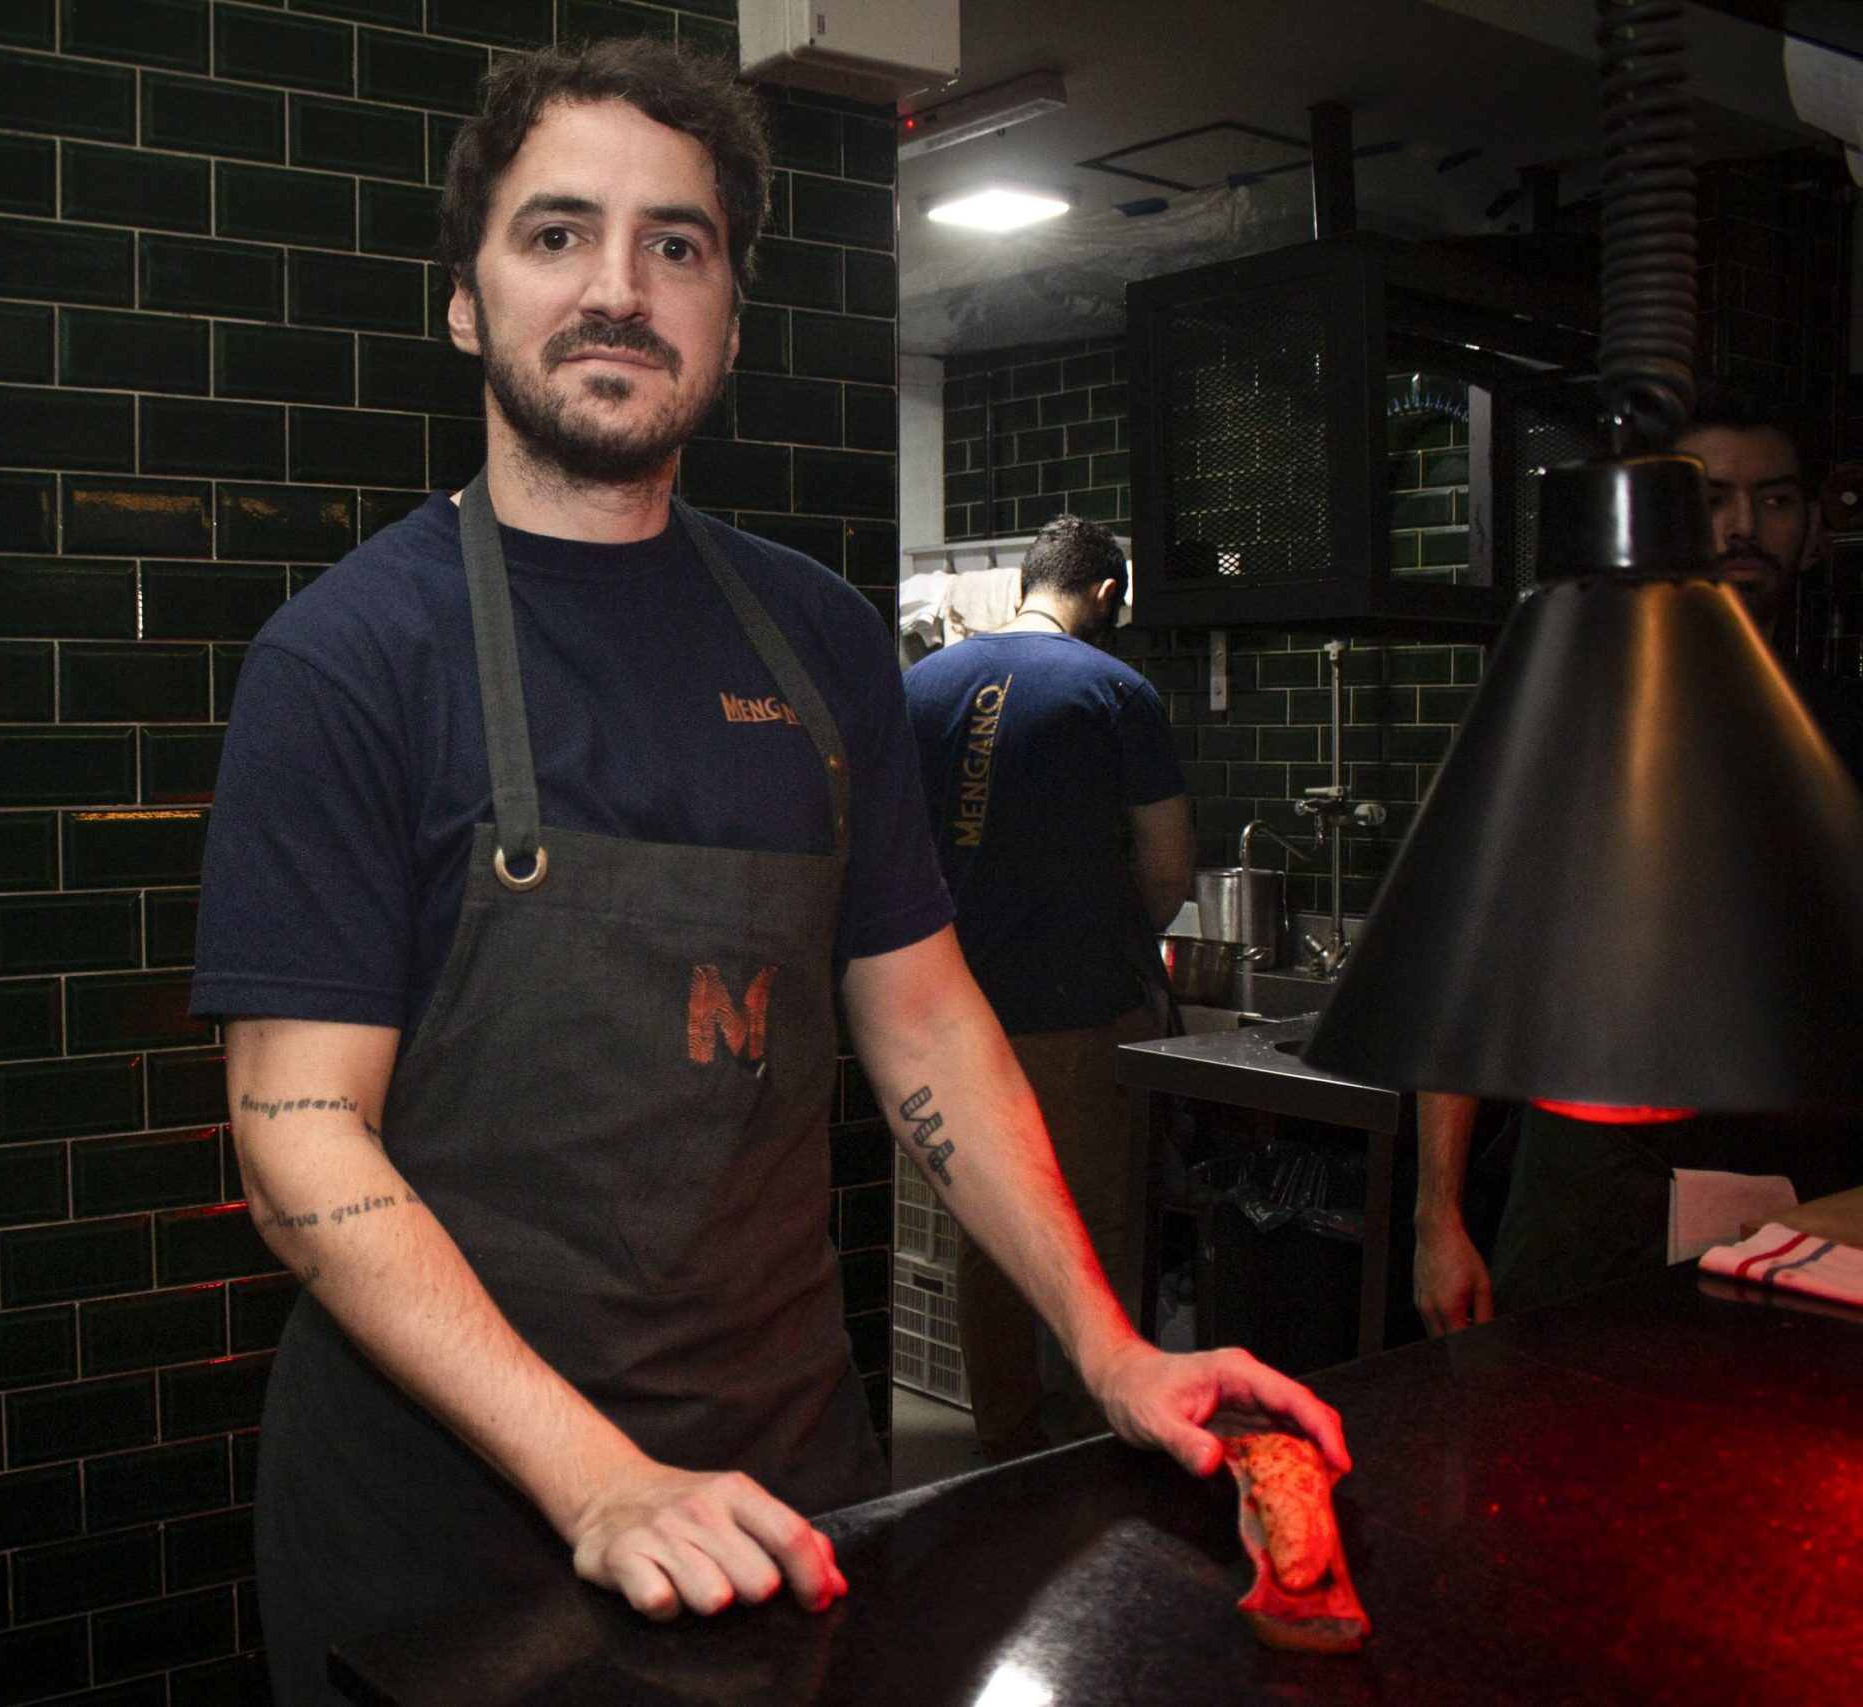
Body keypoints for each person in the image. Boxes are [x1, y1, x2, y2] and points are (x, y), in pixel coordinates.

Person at [188, 39, 1347, 1704]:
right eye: (557, 233)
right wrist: (598, 1477)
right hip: (448, 1532)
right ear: (465, 301)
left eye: (678, 244)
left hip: (791, 1470)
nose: (619, 286)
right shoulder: (351, 660)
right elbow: (294, 1128)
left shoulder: (814, 640)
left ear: (728, 315)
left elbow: (929, 1018)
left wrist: (1109, 1346)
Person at [1414, 389, 1862, 1336]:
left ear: (1814, 528)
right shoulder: (1572, 720)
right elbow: (1470, 981)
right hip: (1589, 1189)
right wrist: (1437, 1216)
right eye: (1710, 499)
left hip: (1796, 1191)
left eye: (1774, 500)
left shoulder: (1846, 733)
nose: (1744, 526)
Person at [900, 517, 1193, 1457]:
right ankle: (1091, 1446)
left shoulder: (919, 687)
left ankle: (1006, 1448)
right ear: (1106, 596)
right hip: (1079, 1014)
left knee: (990, 1242)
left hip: (952, 1024)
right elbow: (1167, 875)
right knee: (1096, 1231)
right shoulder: (1118, 691)